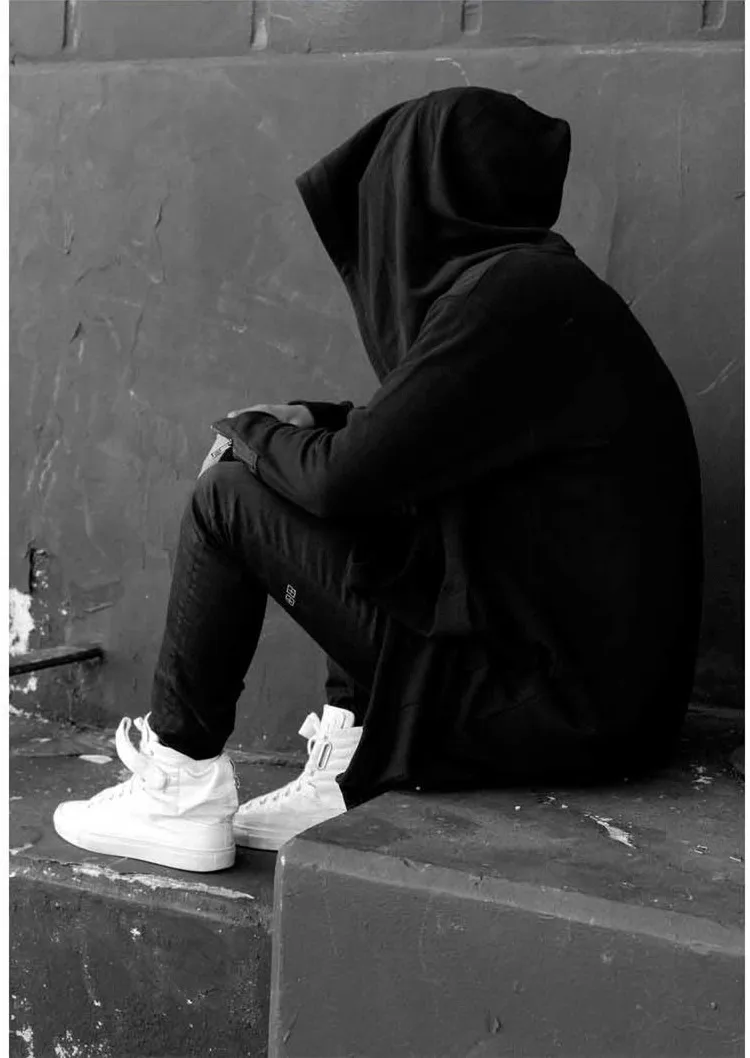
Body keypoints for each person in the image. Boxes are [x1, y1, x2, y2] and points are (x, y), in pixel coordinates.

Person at [53, 87, 703, 873]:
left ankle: (178, 785)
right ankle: (352, 759)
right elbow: (413, 435)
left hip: (550, 712)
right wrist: (306, 419)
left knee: (230, 497)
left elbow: (344, 480)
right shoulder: (539, 290)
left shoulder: (512, 296)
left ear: (425, 189)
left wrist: (246, 433)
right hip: (586, 706)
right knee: (349, 485)